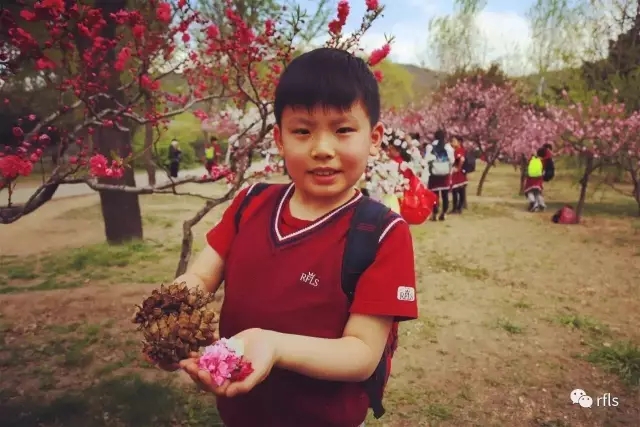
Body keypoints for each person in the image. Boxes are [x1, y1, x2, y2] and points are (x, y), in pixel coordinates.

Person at [161, 48, 418, 427]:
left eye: (343, 130)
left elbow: (362, 352)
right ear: (279, 139)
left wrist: (275, 347)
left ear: (375, 138)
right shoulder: (250, 203)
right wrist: (169, 314)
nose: (322, 149)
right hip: (240, 413)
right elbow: (201, 276)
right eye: (302, 131)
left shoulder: (383, 233)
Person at [425, 129, 454, 221]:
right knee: (445, 195)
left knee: (434, 195)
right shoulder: (448, 147)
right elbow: (452, 161)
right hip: (445, 174)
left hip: (434, 174)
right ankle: (444, 213)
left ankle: (435, 213)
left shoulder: (430, 147)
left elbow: (426, 159)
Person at [524, 147, 547, 211]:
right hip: (539, 178)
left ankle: (532, 201)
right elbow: (543, 170)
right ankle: (542, 203)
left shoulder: (531, 158)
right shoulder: (542, 160)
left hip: (530, 178)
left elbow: (527, 167)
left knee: (529, 191)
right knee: (537, 192)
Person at [450, 136, 467, 214]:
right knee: (457, 191)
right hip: (457, 174)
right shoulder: (456, 151)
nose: (452, 143)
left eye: (454, 141)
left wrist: (457, 168)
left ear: (459, 142)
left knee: (459, 191)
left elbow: (461, 160)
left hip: (459, 174)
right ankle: (456, 208)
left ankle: (458, 208)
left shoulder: (460, 151)